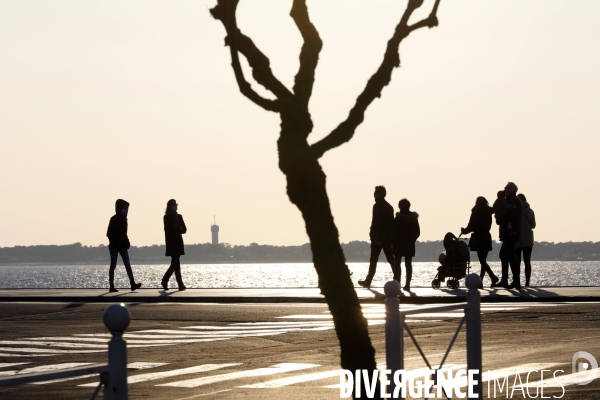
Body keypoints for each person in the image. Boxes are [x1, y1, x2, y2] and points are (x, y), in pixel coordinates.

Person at [358, 186, 395, 289]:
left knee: (373, 260)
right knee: (391, 260)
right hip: (387, 238)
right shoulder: (389, 207)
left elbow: (375, 223)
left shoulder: (376, 206)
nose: (374, 195)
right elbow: (391, 224)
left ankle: (368, 281)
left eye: (375, 193)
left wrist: (375, 237)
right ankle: (397, 279)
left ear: (379, 194)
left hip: (378, 238)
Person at [461, 196, 499, 288]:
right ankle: (481, 282)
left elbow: (470, 226)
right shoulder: (488, 211)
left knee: (482, 261)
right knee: (483, 261)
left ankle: (492, 276)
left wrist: (463, 231)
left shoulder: (475, 212)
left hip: (478, 237)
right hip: (486, 236)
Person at [106, 199, 142, 292]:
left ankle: (132, 284)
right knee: (113, 265)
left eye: (126, 208)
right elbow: (109, 233)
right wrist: (115, 241)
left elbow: (124, 233)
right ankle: (111, 286)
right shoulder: (113, 219)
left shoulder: (125, 219)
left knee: (127, 264)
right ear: (119, 208)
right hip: (114, 245)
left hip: (123, 245)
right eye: (124, 208)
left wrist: (127, 241)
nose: (125, 210)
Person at [496, 182, 523, 290]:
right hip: (511, 233)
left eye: (506, 188)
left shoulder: (511, 201)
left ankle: (514, 281)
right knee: (505, 255)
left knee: (509, 256)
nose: (504, 190)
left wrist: (499, 220)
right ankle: (507, 279)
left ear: (510, 190)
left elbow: (508, 216)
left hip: (510, 233)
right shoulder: (514, 200)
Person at [392, 198, 420, 291]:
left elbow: (394, 231)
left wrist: (394, 242)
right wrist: (412, 239)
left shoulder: (398, 218)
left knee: (397, 264)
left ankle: (397, 283)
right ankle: (407, 284)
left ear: (400, 207)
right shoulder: (414, 218)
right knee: (408, 264)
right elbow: (417, 232)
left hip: (398, 244)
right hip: (409, 244)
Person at [161, 199, 187, 291]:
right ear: (169, 206)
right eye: (173, 205)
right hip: (172, 243)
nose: (175, 206)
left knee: (175, 263)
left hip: (178, 242)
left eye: (176, 204)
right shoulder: (166, 217)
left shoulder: (179, 217)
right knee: (176, 263)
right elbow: (169, 230)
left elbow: (184, 229)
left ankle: (165, 280)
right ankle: (179, 284)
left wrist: (176, 228)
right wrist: (177, 228)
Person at [516, 193, 536, 287]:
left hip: (517, 240)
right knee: (527, 262)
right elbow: (533, 225)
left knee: (517, 262)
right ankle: (527, 282)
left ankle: (517, 281)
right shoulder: (530, 211)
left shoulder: (515, 210)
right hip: (528, 239)